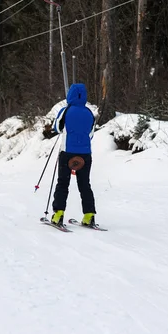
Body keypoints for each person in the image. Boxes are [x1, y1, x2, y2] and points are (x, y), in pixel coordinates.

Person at [50, 83, 97, 227]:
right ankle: (89, 215)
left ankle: (58, 214)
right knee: (84, 184)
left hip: (67, 152)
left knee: (63, 183)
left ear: (70, 95)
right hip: (85, 154)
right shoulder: (90, 113)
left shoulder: (65, 111)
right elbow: (91, 134)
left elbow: (57, 128)